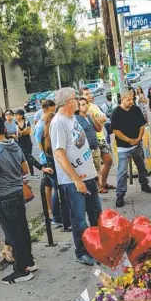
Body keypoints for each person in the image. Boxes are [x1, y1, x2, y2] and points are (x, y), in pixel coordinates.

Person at [50, 87, 102, 266]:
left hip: (87, 176)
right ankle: (82, 251)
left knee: (95, 213)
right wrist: (76, 179)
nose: (78, 101)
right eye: (75, 98)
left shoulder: (73, 118)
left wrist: (92, 174)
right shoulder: (58, 123)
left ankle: (98, 246)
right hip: (73, 182)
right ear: (67, 102)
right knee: (79, 219)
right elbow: (59, 154)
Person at [0, 117, 36, 284]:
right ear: (5, 130)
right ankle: (29, 261)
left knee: (13, 234)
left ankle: (21, 270)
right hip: (18, 192)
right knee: (22, 229)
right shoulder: (14, 145)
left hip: (5, 197)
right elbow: (25, 169)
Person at [111, 89, 151, 207]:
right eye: (128, 100)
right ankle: (120, 195)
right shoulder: (116, 112)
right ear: (122, 99)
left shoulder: (135, 109)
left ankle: (144, 184)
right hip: (123, 148)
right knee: (122, 172)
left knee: (142, 166)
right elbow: (115, 131)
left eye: (132, 99)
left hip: (136, 145)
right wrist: (128, 140)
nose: (131, 102)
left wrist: (139, 138)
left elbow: (142, 125)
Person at [80, 87, 115, 192]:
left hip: (100, 138)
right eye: (86, 94)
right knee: (95, 165)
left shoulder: (94, 106)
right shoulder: (80, 109)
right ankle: (98, 186)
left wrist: (93, 118)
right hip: (91, 140)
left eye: (90, 93)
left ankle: (103, 183)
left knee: (108, 161)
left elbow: (104, 118)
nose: (90, 95)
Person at [40, 112, 71, 231]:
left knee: (56, 192)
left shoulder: (44, 134)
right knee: (59, 193)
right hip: (56, 167)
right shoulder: (52, 133)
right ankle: (58, 217)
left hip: (50, 166)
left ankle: (57, 217)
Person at [74, 97, 103, 184]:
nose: (86, 106)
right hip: (86, 151)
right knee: (90, 173)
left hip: (95, 147)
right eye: (83, 105)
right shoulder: (76, 119)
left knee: (98, 170)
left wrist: (93, 117)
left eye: (86, 104)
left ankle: (99, 188)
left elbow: (99, 129)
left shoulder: (89, 117)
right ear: (78, 107)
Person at [15, 109, 37, 179]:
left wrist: (21, 132)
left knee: (29, 157)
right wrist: (23, 131)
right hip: (19, 142)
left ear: (21, 115)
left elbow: (29, 131)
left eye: (17, 114)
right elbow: (17, 133)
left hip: (27, 141)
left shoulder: (27, 122)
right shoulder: (15, 123)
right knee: (21, 158)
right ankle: (23, 174)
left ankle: (32, 173)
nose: (16, 116)